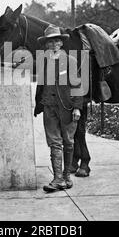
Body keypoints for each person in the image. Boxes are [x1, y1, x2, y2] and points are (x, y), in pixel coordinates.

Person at [34, 25, 83, 192]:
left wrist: (77, 107)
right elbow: (40, 85)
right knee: (54, 142)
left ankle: (67, 176)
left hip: (67, 107)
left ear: (61, 43)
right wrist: (38, 104)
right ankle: (58, 178)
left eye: (56, 41)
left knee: (68, 142)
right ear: (46, 44)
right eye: (50, 42)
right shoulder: (43, 61)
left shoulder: (70, 61)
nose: (53, 44)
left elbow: (77, 86)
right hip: (49, 107)